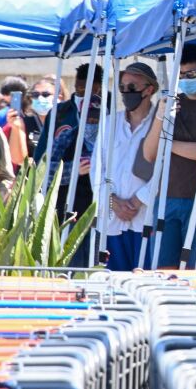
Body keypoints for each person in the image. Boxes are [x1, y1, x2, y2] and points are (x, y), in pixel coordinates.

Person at [139, 44, 196, 268]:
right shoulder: (170, 103)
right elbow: (149, 154)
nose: (185, 79)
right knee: (162, 269)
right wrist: (161, 116)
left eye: (191, 74)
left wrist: (168, 144)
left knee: (193, 268)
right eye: (180, 75)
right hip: (166, 197)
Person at [34, 63, 103, 267]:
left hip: (98, 203)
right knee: (70, 259)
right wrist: (73, 170)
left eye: (91, 90)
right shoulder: (62, 114)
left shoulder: (108, 111)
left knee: (95, 260)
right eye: (80, 89)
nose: (84, 95)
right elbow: (43, 164)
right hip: (66, 203)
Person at [102, 63, 157, 271]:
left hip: (145, 218)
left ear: (149, 89)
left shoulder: (161, 124)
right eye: (122, 87)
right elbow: (98, 169)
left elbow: (166, 171)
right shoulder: (109, 123)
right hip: (112, 219)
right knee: (113, 283)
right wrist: (112, 201)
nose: (126, 92)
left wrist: (138, 199)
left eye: (132, 87)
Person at [21, 75, 68, 159]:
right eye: (35, 94)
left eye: (46, 94)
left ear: (59, 98)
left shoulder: (69, 122)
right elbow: (19, 158)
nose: (40, 98)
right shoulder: (25, 122)